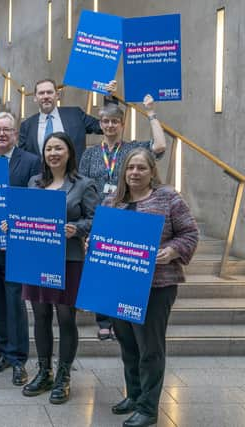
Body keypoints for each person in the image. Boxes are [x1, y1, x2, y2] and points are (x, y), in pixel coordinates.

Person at [103, 148, 198, 427]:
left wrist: (171, 251)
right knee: (128, 344)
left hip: (157, 286)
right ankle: (133, 395)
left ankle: (148, 407)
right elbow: (103, 238)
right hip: (120, 284)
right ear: (123, 172)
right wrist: (93, 244)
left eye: (141, 168)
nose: (135, 173)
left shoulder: (168, 198)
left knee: (150, 348)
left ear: (151, 172)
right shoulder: (112, 202)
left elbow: (190, 233)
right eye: (130, 168)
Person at [14, 132, 98, 404]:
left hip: (69, 259)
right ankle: (44, 371)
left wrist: (77, 229)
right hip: (37, 258)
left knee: (65, 317)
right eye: (49, 148)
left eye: (58, 148)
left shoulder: (84, 184)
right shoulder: (34, 182)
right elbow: (26, 216)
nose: (53, 153)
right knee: (39, 316)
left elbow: (95, 220)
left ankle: (63, 376)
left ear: (69, 152)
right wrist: (12, 225)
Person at [79, 95, 167, 341]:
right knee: (102, 269)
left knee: (123, 267)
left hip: (127, 215)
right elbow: (83, 184)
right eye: (105, 121)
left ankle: (125, 316)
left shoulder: (132, 149)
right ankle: (104, 320)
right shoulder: (90, 154)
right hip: (99, 216)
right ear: (100, 124)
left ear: (122, 124)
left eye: (115, 122)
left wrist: (150, 112)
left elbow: (159, 146)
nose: (109, 126)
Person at [0, 111, 41, 386]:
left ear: (16, 134)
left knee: (15, 303)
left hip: (17, 247)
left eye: (7, 130)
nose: (1, 134)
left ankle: (18, 360)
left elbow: (34, 201)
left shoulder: (32, 162)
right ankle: (3, 351)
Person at [18, 79, 116, 163]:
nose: (46, 96)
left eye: (49, 92)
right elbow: (23, 159)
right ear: (35, 98)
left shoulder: (75, 114)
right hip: (41, 182)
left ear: (57, 95)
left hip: (74, 180)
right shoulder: (26, 126)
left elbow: (103, 126)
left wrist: (110, 98)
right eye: (41, 93)